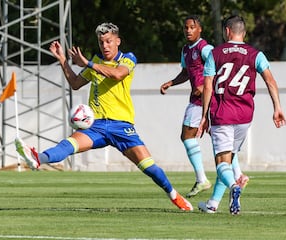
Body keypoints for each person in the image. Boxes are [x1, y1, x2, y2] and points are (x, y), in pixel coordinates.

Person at [15, 22, 193, 211]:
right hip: (96, 126)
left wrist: (89, 64)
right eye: (101, 42)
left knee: (149, 167)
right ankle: (38, 158)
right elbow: (75, 83)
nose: (105, 46)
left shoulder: (127, 59)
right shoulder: (95, 61)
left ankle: (174, 196)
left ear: (118, 41)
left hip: (121, 126)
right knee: (68, 145)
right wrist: (62, 60)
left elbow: (117, 75)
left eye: (108, 41)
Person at [196, 15, 286, 215]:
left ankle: (234, 186)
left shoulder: (216, 53)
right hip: (245, 116)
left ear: (227, 31)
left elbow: (208, 86)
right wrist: (277, 107)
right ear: (243, 32)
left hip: (222, 113)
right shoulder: (256, 54)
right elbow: (270, 81)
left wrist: (204, 116)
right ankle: (212, 204)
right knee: (230, 158)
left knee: (222, 163)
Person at [160, 15, 248, 198]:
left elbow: (220, 68)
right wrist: (171, 82)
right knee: (220, 141)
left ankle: (203, 179)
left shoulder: (206, 48)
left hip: (206, 100)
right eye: (186, 27)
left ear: (200, 29)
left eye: (192, 27)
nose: (188, 30)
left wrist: (207, 87)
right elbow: (186, 73)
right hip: (198, 100)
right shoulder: (186, 50)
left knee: (188, 135)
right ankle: (237, 175)